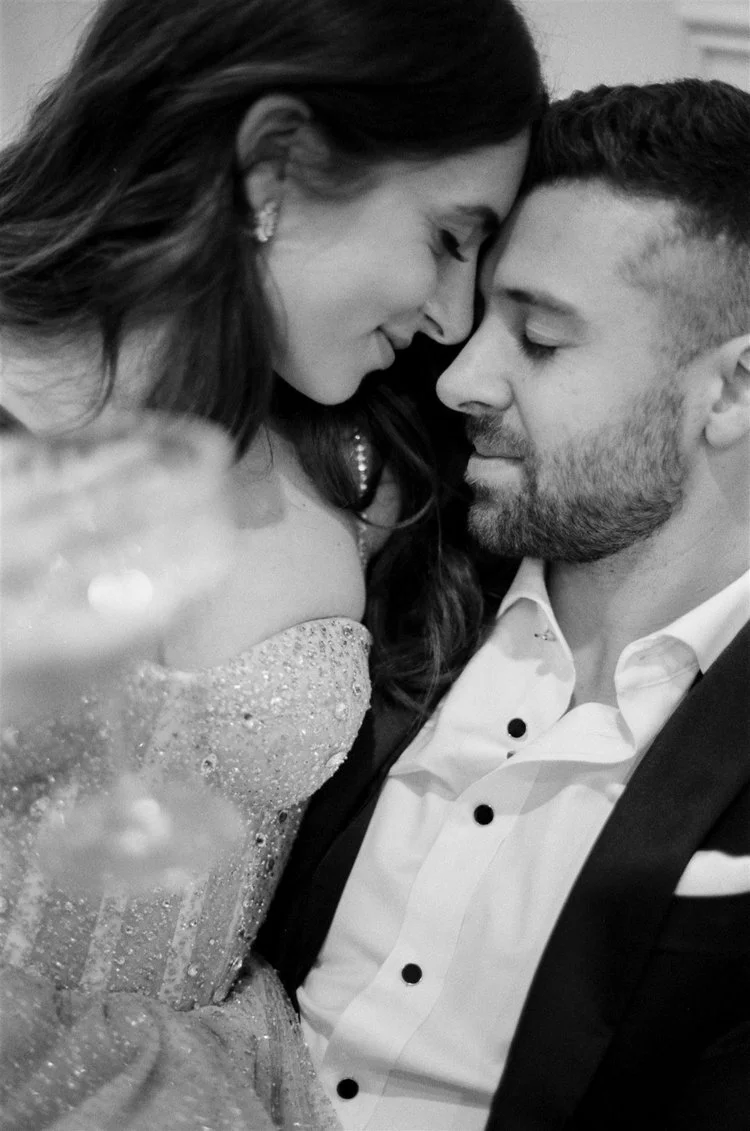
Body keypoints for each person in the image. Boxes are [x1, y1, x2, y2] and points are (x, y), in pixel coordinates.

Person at [0, 0, 546, 1127]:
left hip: (210, 1084)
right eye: (449, 238)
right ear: (274, 166)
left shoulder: (365, 465)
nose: (455, 317)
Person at [259, 78, 750, 1131]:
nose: (462, 380)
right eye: (481, 318)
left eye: (540, 338)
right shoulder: (380, 552)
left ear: (735, 389)